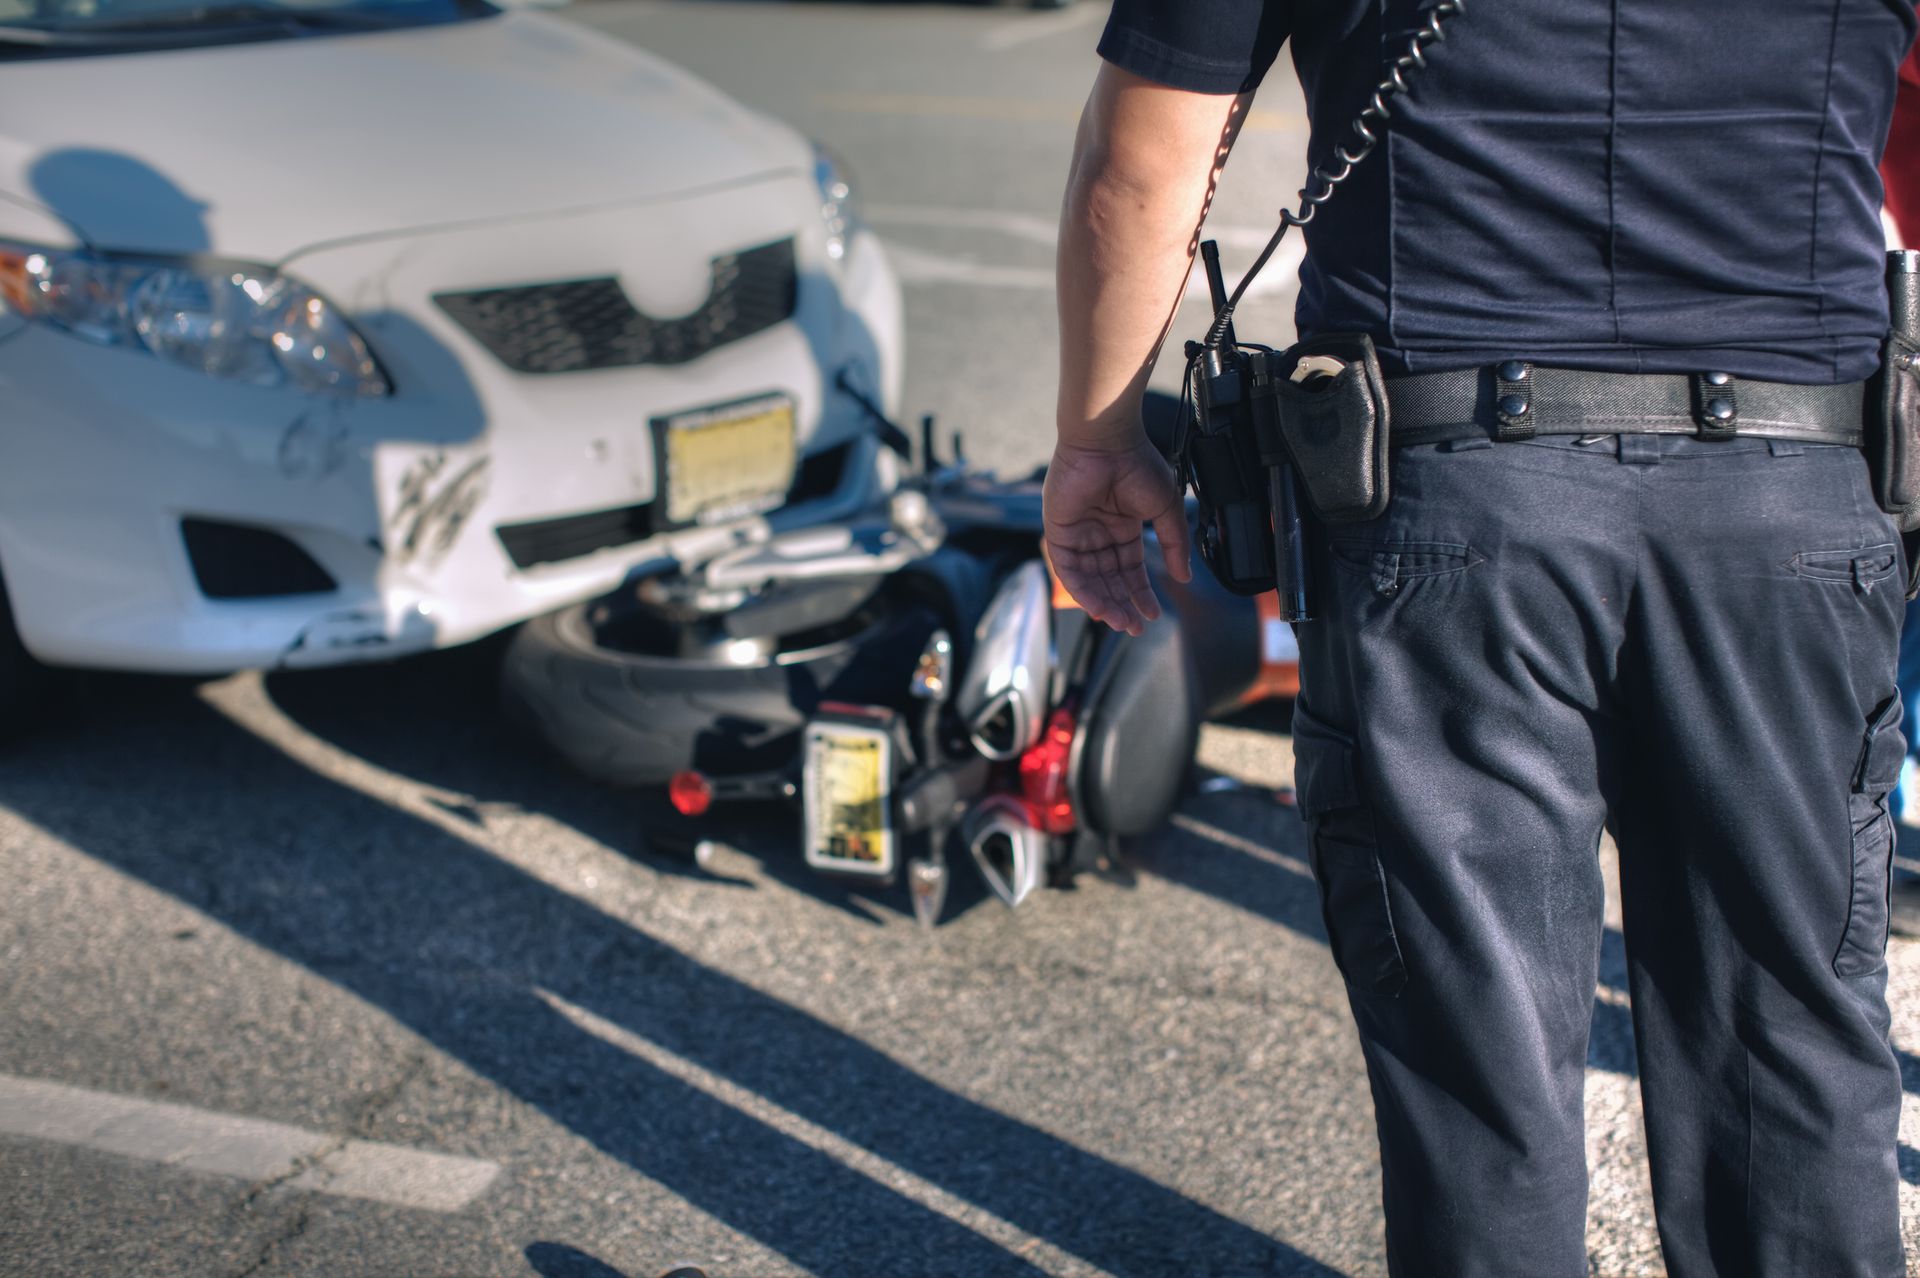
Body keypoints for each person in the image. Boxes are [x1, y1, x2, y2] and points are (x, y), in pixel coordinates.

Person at [1044, 3, 1918, 1275]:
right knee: (1789, 1046)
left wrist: (1098, 441)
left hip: (1451, 506)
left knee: (1475, 1061)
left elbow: (1146, 157)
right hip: (1788, 493)